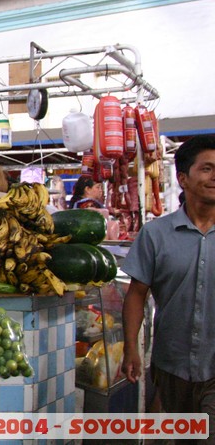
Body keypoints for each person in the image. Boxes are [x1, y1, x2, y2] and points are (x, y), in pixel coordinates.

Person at [122, 134, 215, 442]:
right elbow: (136, 294)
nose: (214, 176)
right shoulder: (156, 234)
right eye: (207, 168)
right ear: (183, 178)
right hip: (171, 364)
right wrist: (131, 347)